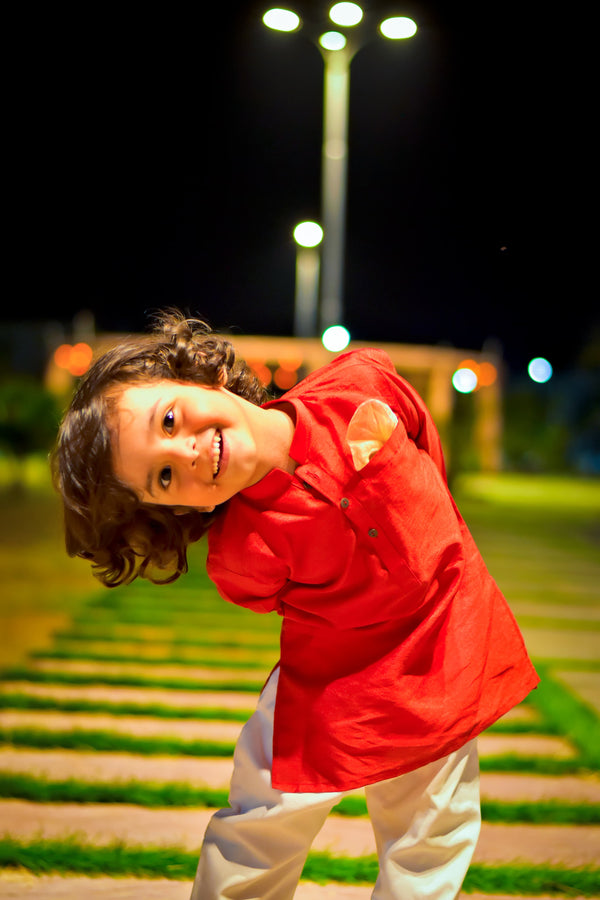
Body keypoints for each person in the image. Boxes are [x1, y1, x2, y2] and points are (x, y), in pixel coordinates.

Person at [52, 310, 539, 900]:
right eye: (162, 475)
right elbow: (269, 598)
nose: (187, 452)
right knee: (266, 812)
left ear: (195, 373)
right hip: (332, 678)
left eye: (171, 419)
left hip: (437, 652)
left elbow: (425, 449)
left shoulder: (358, 385)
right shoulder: (240, 554)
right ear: (175, 508)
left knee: (434, 828)